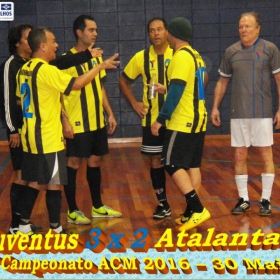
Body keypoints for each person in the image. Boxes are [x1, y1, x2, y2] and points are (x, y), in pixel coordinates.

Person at [0, 23, 106, 234]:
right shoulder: (45, 70)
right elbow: (76, 84)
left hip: (30, 135)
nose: (57, 46)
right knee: (54, 182)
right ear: (42, 47)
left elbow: (21, 101)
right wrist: (98, 67)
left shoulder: (24, 70)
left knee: (35, 181)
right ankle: (55, 228)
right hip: (47, 136)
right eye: (53, 42)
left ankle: (21, 224)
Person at [211, 11, 280, 216]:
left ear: (258, 29)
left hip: (262, 113)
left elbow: (279, 81)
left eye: (247, 26)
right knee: (239, 155)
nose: (243, 30)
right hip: (239, 114)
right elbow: (222, 82)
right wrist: (215, 107)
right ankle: (243, 199)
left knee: (265, 154)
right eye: (241, 26)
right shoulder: (231, 51)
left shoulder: (270, 49)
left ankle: (265, 200)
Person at [151, 17, 211, 232]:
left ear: (172, 34)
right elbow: (198, 84)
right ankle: (189, 213)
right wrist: (166, 89)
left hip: (183, 121)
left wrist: (160, 119)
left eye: (166, 31)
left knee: (170, 162)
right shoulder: (196, 56)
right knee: (192, 165)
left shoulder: (180, 57)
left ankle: (196, 208)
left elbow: (177, 91)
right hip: (198, 119)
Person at [61, 15, 121, 225]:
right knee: (74, 162)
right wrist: (64, 121)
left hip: (97, 121)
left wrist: (110, 113)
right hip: (77, 121)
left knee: (95, 161)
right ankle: (73, 210)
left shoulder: (96, 57)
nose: (95, 33)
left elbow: (100, 86)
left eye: (96, 30)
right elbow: (58, 94)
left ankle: (97, 207)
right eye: (91, 30)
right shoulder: (65, 60)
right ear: (79, 32)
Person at [119, 17, 173, 219]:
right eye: (152, 30)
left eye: (159, 29)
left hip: (176, 119)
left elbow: (200, 77)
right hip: (152, 121)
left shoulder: (178, 54)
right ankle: (163, 204)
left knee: (179, 164)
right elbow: (123, 80)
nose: (156, 33)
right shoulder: (141, 57)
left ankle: (191, 205)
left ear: (167, 32)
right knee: (155, 162)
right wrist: (134, 103)